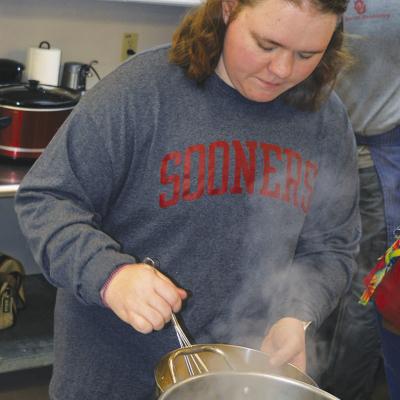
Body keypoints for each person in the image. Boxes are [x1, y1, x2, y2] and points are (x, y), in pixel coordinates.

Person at [14, 0, 360, 398]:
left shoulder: (325, 120)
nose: (283, 70)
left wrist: (297, 313)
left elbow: (332, 245)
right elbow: (47, 199)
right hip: (113, 381)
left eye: (307, 54)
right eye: (267, 45)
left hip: (238, 381)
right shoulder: (140, 92)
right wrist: (110, 275)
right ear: (229, 9)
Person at [316, 1, 400, 399]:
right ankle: (335, 391)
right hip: (360, 155)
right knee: (368, 286)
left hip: (339, 148)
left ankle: (323, 385)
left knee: (347, 278)